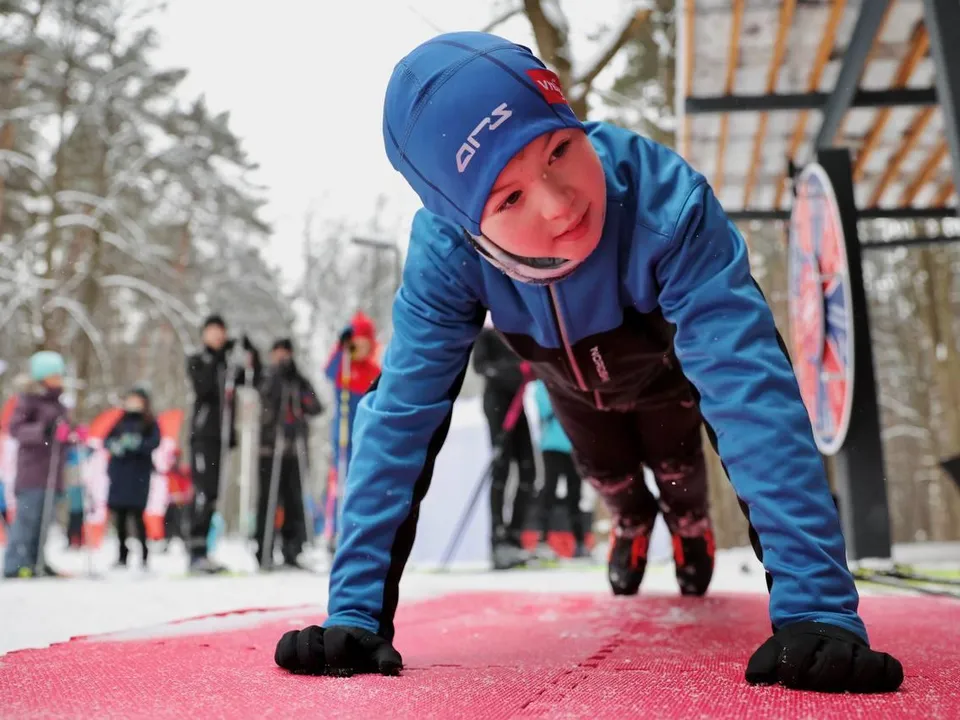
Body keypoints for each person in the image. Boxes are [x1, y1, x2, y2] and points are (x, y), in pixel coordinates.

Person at [274, 33, 903, 693]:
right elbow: (401, 416)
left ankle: (689, 530)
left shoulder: (666, 200)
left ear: (575, 122)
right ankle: (633, 523)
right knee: (611, 479)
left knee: (680, 474)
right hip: (572, 389)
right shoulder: (447, 256)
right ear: (466, 226)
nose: (560, 202)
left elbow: (752, 392)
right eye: (508, 199)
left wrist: (817, 608)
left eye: (560, 151)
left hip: (668, 381)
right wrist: (355, 612)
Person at [185, 314, 260, 573]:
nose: (218, 336)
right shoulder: (198, 360)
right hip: (203, 437)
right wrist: (221, 359)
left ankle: (205, 550)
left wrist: (253, 354)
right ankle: (195, 551)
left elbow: (253, 379)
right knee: (203, 493)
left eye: (221, 331)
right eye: (213, 331)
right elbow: (203, 388)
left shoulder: (227, 366)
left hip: (223, 438)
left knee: (214, 495)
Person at [471, 321, 536, 569]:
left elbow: (535, 363)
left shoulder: (520, 326)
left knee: (529, 471)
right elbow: (480, 366)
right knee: (502, 469)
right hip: (497, 401)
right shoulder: (487, 331)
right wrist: (516, 371)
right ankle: (498, 541)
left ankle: (514, 535)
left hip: (518, 402)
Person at [2, 351, 71, 578]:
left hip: (52, 472)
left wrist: (70, 435)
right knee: (27, 519)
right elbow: (16, 429)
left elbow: (62, 435)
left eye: (59, 375)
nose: (58, 379)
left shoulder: (60, 404)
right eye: (53, 375)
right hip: (32, 472)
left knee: (45, 520)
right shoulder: (28, 400)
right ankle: (15, 563)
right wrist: (43, 431)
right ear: (41, 376)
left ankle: (36, 560)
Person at [255, 338, 323, 569]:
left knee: (294, 501)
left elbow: (315, 407)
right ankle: (263, 550)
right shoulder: (266, 377)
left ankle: (293, 549)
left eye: (286, 353)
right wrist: (277, 376)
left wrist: (298, 383)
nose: (282, 357)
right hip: (270, 451)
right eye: (278, 353)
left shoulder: (299, 380)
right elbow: (264, 399)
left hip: (294, 452)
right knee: (268, 501)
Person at [323, 310, 379, 550]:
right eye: (357, 343)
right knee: (341, 482)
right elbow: (328, 372)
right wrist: (340, 347)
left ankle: (360, 529)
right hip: (343, 434)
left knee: (363, 481)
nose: (361, 349)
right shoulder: (343, 366)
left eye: (365, 344)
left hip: (365, 432)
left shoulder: (372, 371)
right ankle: (334, 531)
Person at [104, 387, 161, 569]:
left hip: (138, 476)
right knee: (119, 518)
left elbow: (154, 442)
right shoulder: (119, 421)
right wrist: (116, 445)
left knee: (137, 516)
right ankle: (122, 555)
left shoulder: (149, 422)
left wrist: (137, 444)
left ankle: (144, 554)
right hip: (120, 475)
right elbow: (106, 440)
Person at [531, 379, 587, 560]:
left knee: (575, 494)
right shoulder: (540, 386)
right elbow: (546, 410)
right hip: (551, 446)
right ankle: (542, 541)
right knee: (549, 491)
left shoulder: (570, 381)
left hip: (572, 445)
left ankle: (579, 544)